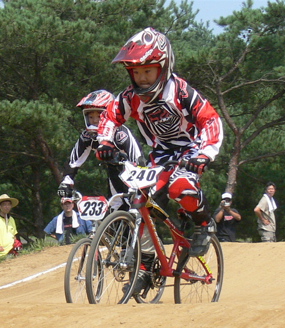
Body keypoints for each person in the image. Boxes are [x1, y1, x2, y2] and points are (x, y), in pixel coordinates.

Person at [95, 27, 224, 295]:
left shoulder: (182, 91)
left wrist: (205, 154)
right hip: (162, 155)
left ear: (163, 67)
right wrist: (105, 143)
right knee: (140, 202)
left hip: (190, 150)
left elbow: (210, 120)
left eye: (148, 71)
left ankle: (202, 222)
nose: (142, 78)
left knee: (182, 188)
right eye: (137, 72)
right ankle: (147, 266)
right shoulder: (130, 98)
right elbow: (109, 117)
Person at [57, 90, 143, 211]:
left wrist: (137, 181)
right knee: (116, 207)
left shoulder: (120, 134)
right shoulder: (87, 137)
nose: (95, 120)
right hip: (114, 172)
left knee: (136, 208)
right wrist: (66, 181)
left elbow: (138, 158)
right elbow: (73, 162)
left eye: (99, 116)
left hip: (134, 172)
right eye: (91, 116)